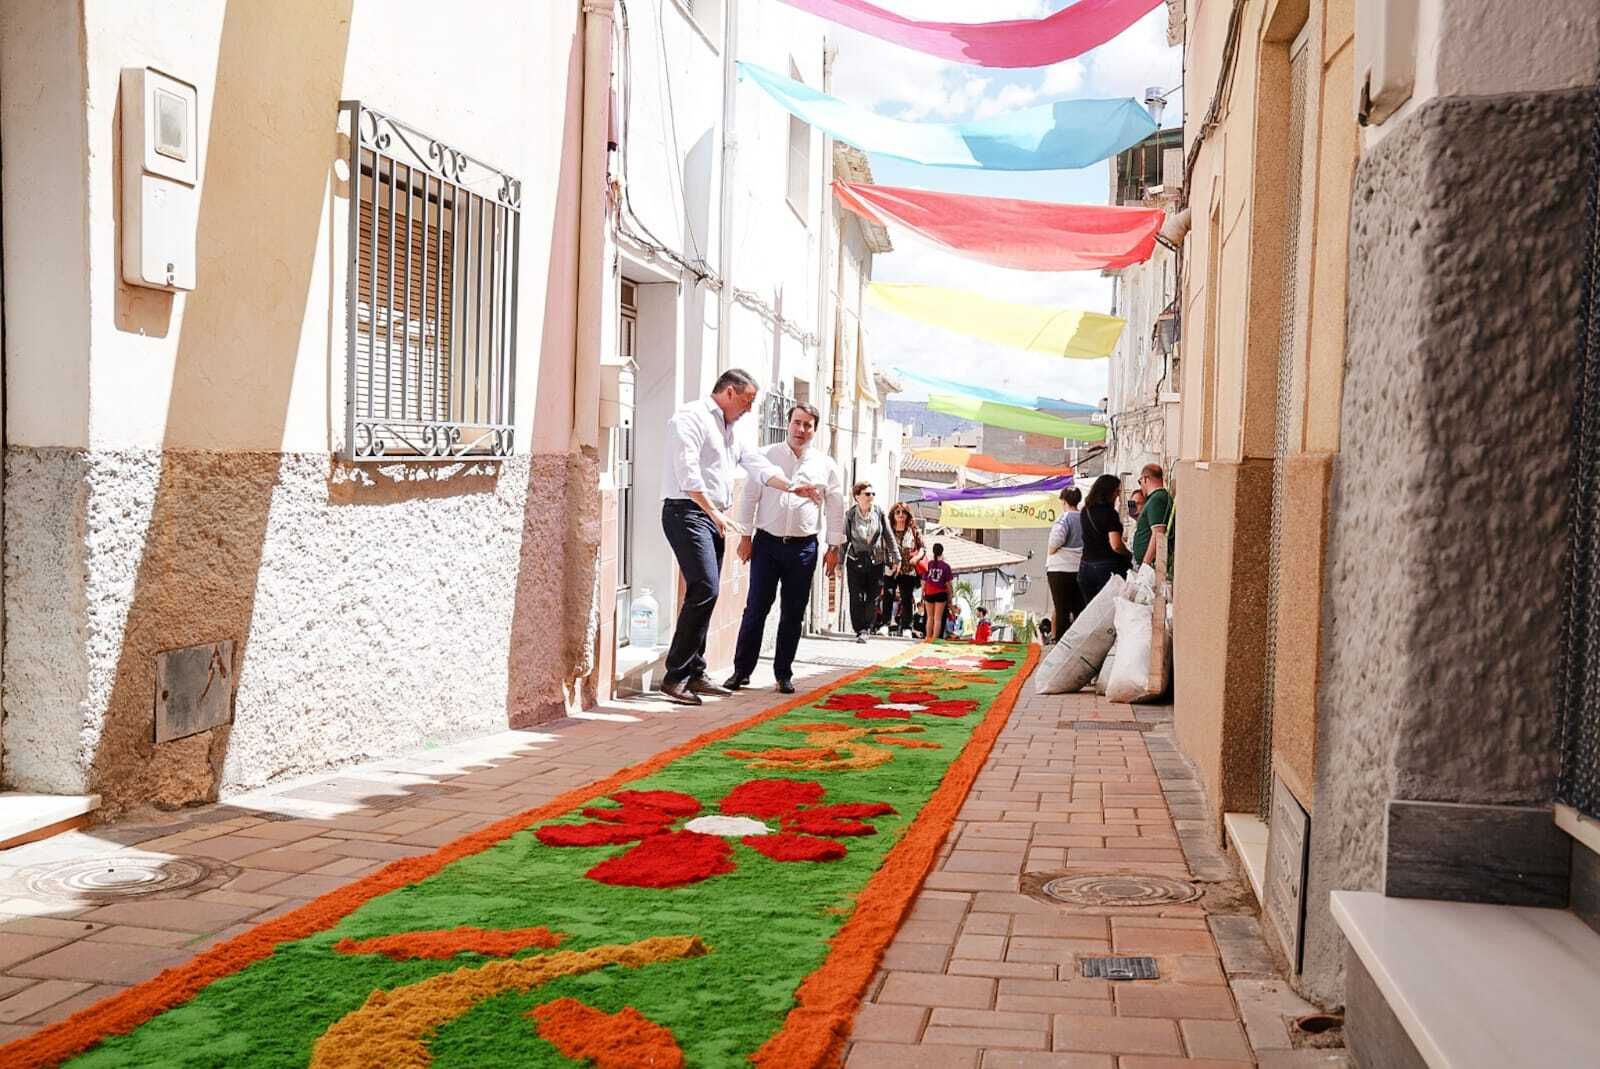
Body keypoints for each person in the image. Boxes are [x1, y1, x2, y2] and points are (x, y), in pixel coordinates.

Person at [658, 369, 824, 706]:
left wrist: (793, 486)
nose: (750, 409)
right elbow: (686, 472)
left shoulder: (733, 430)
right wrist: (714, 513)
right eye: (747, 401)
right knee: (706, 587)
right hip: (686, 510)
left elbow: (758, 466)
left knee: (704, 591)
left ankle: (696, 671)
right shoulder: (690, 418)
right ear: (729, 393)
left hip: (711, 516)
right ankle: (675, 675)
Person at [723, 402, 845, 695]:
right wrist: (745, 537)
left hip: (803, 549)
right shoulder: (766, 457)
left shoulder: (825, 465)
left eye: (808, 425)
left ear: (815, 430)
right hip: (767, 544)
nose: (801, 430)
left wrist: (834, 546)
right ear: (788, 424)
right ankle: (742, 670)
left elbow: (836, 506)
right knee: (756, 608)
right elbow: (749, 497)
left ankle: (783, 673)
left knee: (793, 612)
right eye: (797, 423)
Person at [833, 481, 895, 642]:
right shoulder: (850, 515)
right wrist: (839, 563)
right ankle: (860, 628)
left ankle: (867, 627)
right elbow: (844, 540)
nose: (871, 497)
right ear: (857, 497)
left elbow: (888, 535)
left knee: (873, 596)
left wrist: (896, 556)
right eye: (867, 494)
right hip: (855, 560)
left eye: (873, 494)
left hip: (876, 560)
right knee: (856, 596)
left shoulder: (879, 512)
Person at [1077, 473, 1130, 605]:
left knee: (1092, 611)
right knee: (1108, 610)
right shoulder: (1110, 513)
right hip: (1106, 567)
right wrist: (1128, 554)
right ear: (1109, 491)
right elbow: (1116, 545)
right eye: (1117, 491)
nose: (1118, 495)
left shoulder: (1085, 511)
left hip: (1086, 567)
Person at [1046, 486, 1085, 642]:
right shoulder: (1084, 518)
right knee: (1079, 609)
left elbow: (1055, 542)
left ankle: (1061, 642)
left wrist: (1051, 550)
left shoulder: (1064, 519)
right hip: (1080, 568)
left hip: (1060, 569)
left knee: (1061, 609)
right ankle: (1079, 642)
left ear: (1064, 501)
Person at [883, 502, 926, 635]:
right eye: (898, 512)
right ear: (893, 515)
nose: (901, 515)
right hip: (891, 568)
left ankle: (907, 627)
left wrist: (916, 558)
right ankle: (885, 625)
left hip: (908, 570)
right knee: (888, 595)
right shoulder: (888, 529)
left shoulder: (913, 530)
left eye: (904, 512)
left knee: (906, 598)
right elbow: (883, 548)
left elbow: (923, 548)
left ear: (908, 515)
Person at [1131, 463, 1173, 570]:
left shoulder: (1157, 500)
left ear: (1145, 479)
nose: (1141, 486)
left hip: (1151, 565)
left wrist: (1145, 564)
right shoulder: (1155, 498)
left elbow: (1158, 533)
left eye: (1140, 482)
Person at [922, 542, 954, 640]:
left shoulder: (929, 564)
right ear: (942, 552)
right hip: (940, 593)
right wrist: (950, 596)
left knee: (930, 617)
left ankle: (928, 637)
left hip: (929, 592)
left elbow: (924, 581)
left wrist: (923, 592)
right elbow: (948, 584)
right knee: (937, 618)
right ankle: (935, 639)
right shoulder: (946, 566)